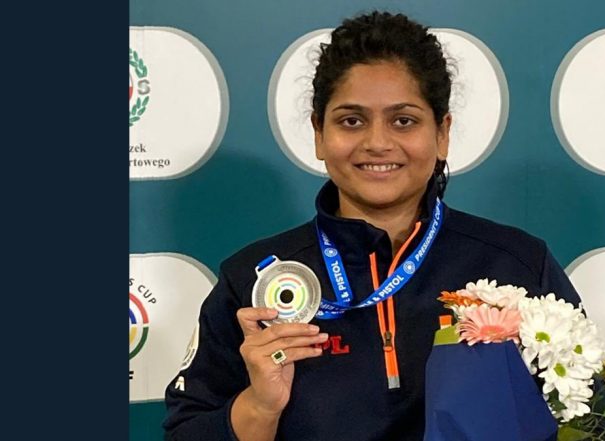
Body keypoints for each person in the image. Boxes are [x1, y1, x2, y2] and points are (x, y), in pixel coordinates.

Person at [163, 10, 582, 441]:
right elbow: (186, 432)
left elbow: (586, 422)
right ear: (319, 134)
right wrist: (260, 406)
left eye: (404, 120)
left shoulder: (518, 264)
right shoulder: (254, 281)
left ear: (442, 134)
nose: (377, 142)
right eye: (351, 121)